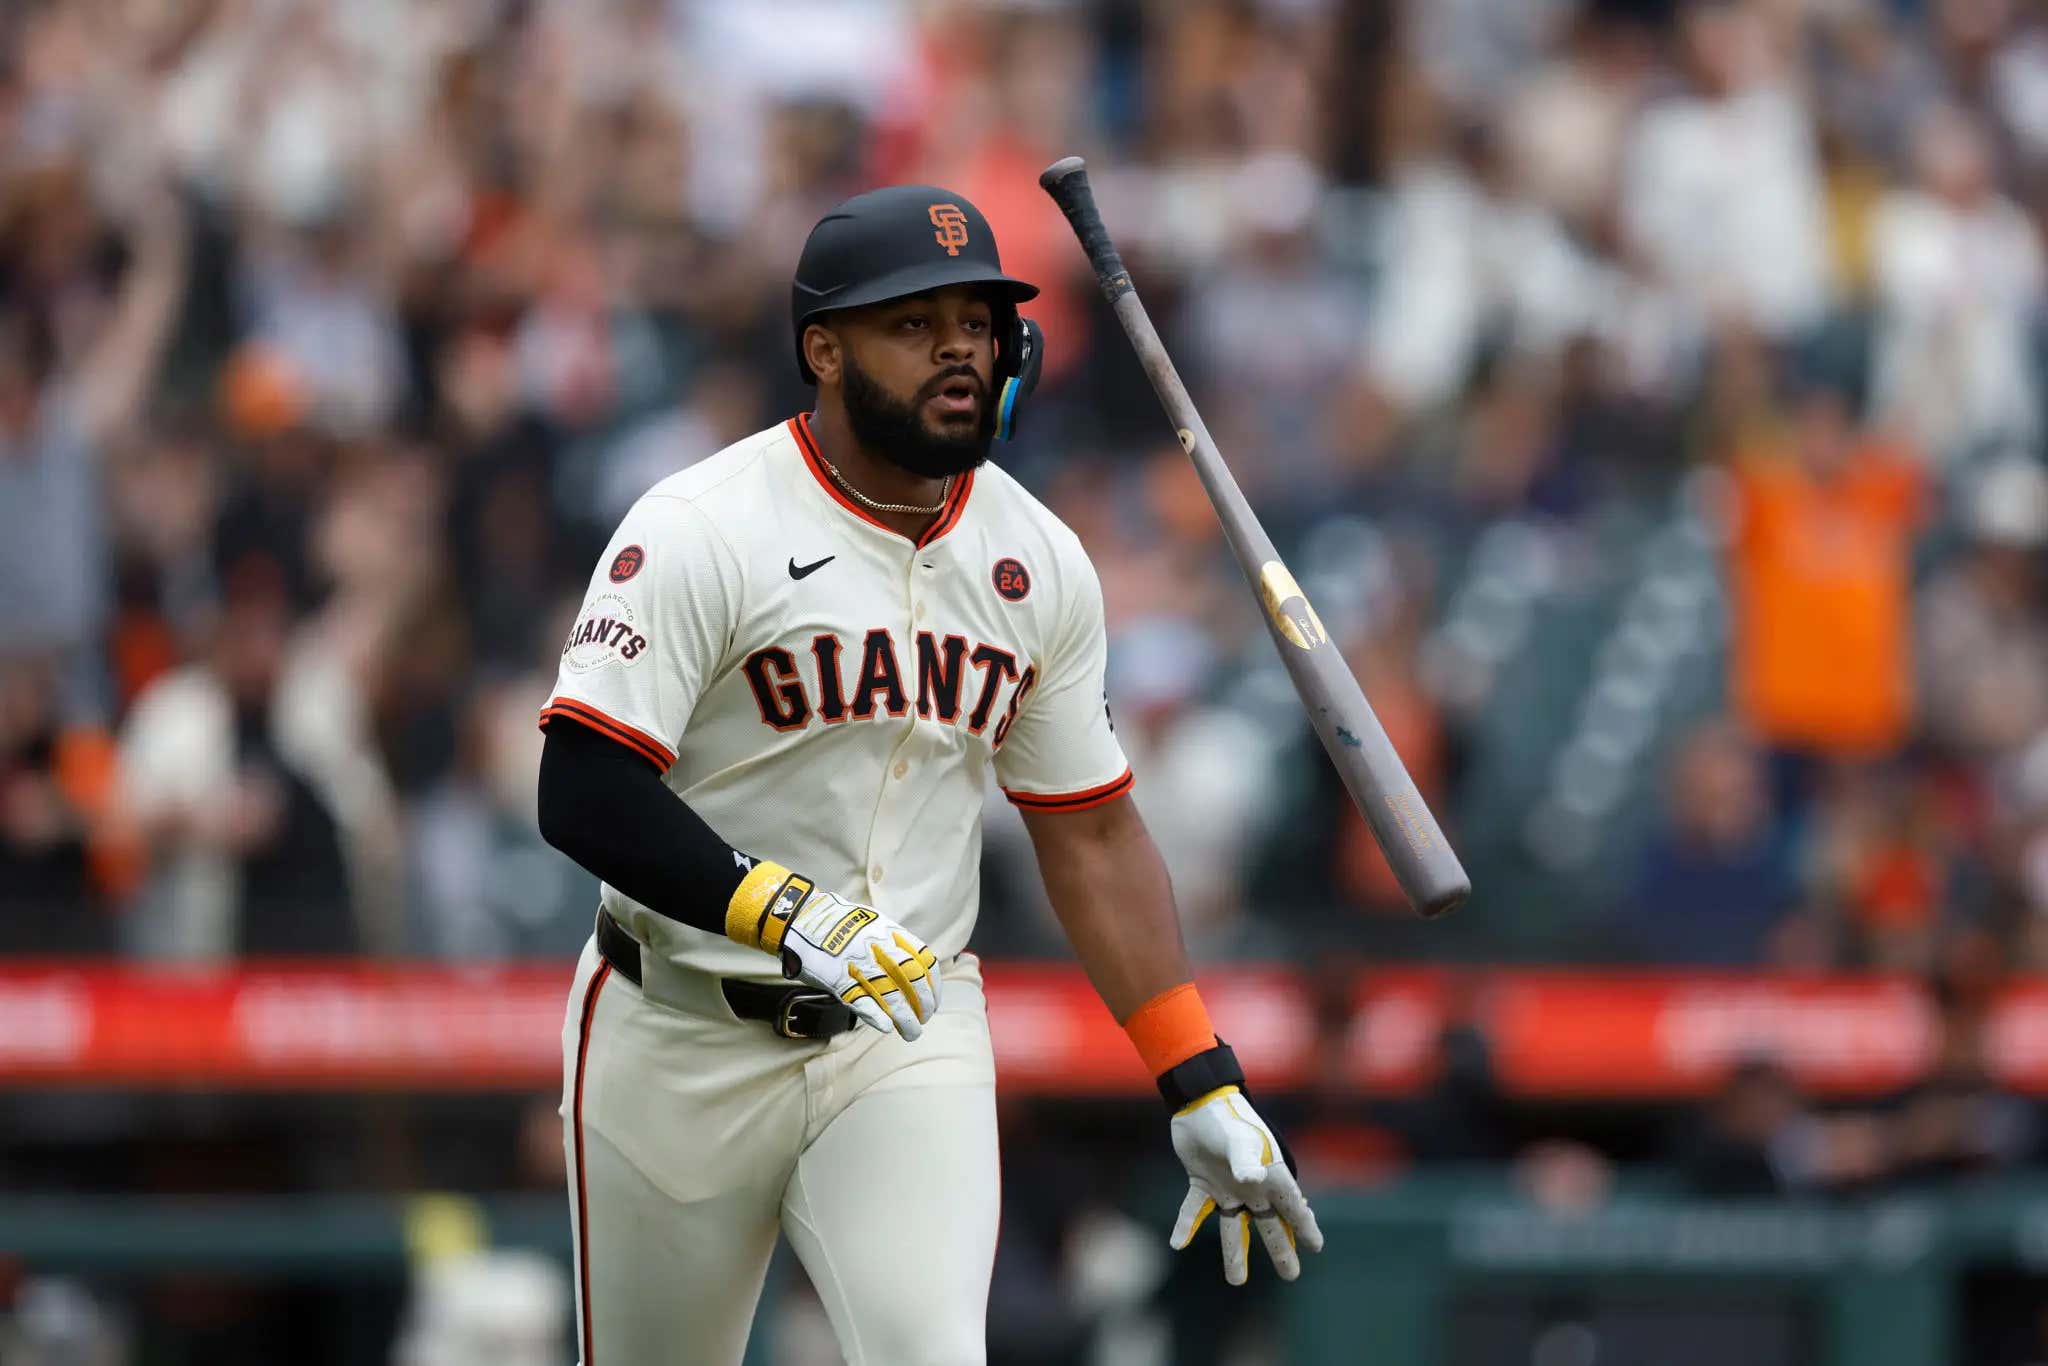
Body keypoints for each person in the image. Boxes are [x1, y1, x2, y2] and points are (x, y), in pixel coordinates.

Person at [534, 185, 1320, 1366]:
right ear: (824, 350)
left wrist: (1196, 1074)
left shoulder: (1036, 558)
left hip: (901, 1025)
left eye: (978, 322)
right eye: (913, 323)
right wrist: (783, 910)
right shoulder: (701, 524)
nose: (960, 349)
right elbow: (583, 789)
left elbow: (1090, 831)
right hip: (679, 1021)